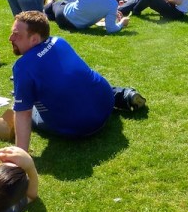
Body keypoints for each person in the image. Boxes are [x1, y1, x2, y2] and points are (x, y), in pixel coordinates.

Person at [10, 11, 145, 151]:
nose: (10, 38)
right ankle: (125, 95)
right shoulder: (59, 41)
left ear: (34, 39)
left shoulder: (22, 67)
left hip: (81, 125)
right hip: (106, 102)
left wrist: (20, 154)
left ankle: (123, 96)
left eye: (16, 35)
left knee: (26, 108)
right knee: (81, 82)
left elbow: (24, 114)